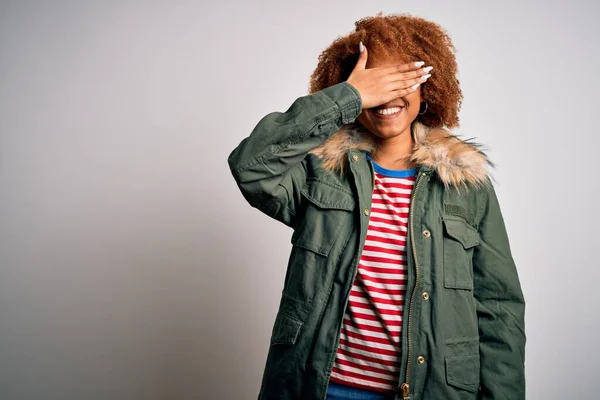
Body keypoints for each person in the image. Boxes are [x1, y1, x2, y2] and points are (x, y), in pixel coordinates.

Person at [227, 12, 526, 400]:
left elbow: (499, 306)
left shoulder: (464, 182)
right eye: (373, 83)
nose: (386, 96)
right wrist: (349, 97)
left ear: (427, 87)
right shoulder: (320, 172)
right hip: (320, 388)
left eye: (400, 79)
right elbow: (250, 166)